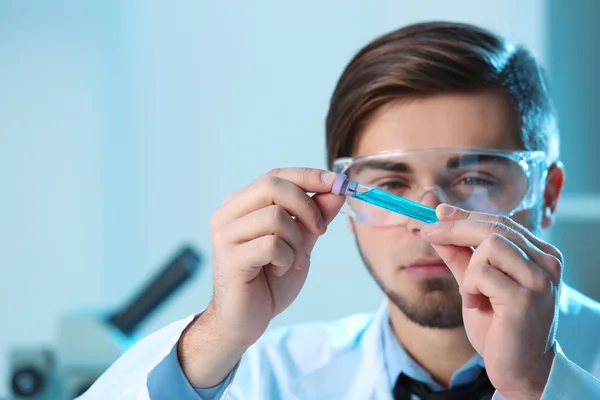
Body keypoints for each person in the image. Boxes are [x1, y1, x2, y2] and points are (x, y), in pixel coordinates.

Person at [80, 21, 600, 399]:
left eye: (474, 179)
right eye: (388, 183)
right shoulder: (261, 377)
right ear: (342, 198)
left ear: (548, 195)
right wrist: (220, 333)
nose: (426, 223)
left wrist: (539, 386)